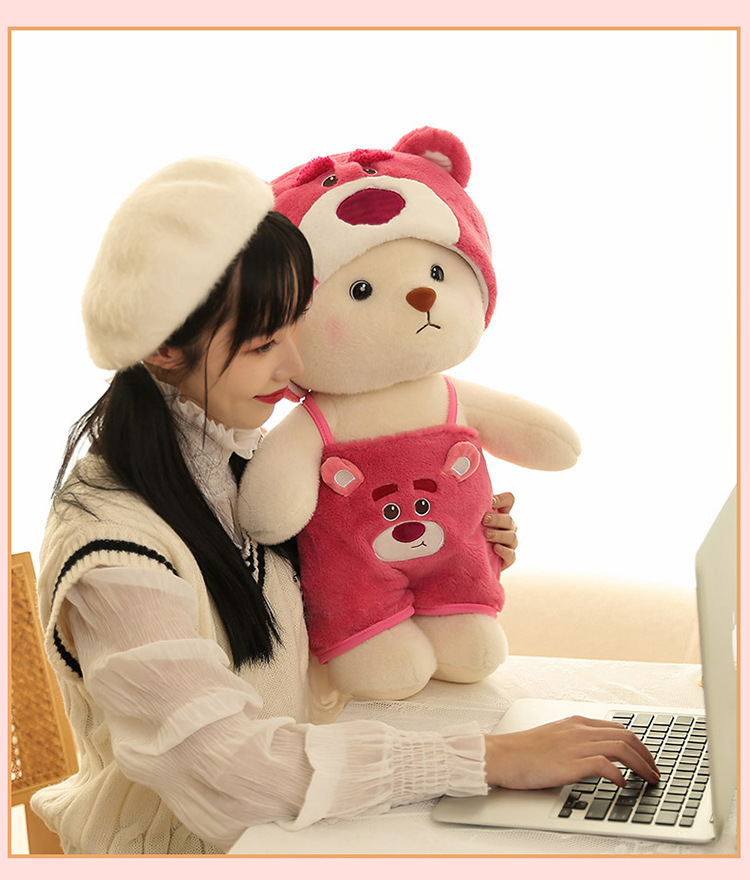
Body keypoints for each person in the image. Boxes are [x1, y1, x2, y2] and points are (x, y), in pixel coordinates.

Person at [32, 157, 659, 855]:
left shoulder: (236, 463)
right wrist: (489, 759)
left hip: (296, 824)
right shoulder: (114, 550)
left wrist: (450, 548)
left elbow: (318, 615)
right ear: (163, 349)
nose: (293, 367)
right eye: (264, 343)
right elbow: (228, 773)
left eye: (293, 328)